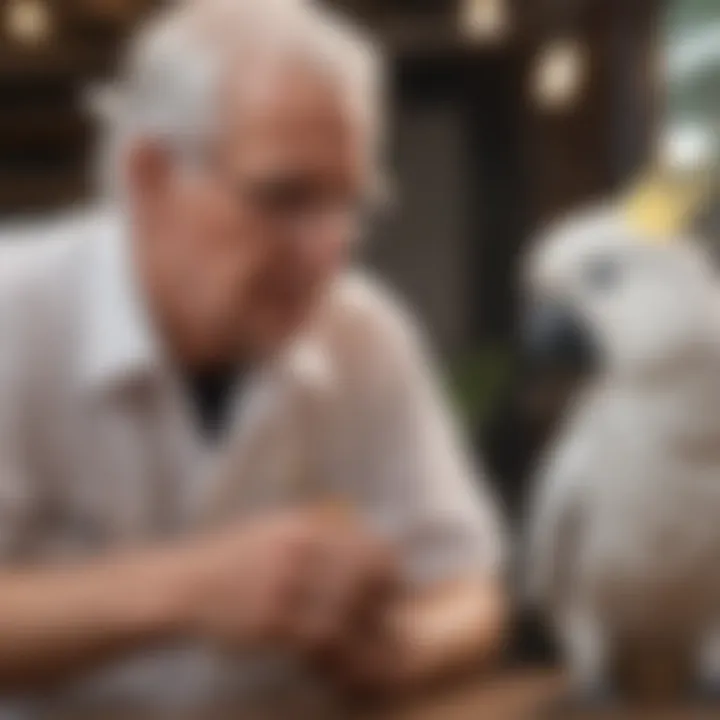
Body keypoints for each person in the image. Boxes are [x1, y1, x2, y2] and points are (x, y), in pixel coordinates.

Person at [0, 0, 506, 712]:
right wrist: (185, 590)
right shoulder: (16, 314)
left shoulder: (364, 334)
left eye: (346, 205)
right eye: (285, 198)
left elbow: (469, 592)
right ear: (150, 175)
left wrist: (395, 651)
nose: (326, 251)